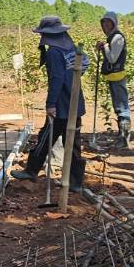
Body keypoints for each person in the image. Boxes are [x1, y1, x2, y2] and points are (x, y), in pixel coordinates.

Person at [12, 15, 86, 188]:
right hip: (75, 101)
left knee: (46, 137)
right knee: (73, 143)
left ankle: (31, 170)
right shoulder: (71, 48)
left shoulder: (54, 52)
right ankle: (76, 182)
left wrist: (50, 104)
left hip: (61, 104)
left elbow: (56, 78)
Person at [96, 10, 131, 148]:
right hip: (113, 76)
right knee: (119, 107)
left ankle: (124, 139)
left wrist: (105, 47)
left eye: (108, 23)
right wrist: (104, 47)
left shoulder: (117, 38)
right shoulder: (112, 38)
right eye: (104, 23)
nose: (105, 26)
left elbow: (112, 58)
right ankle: (121, 136)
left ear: (114, 24)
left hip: (118, 77)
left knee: (122, 107)